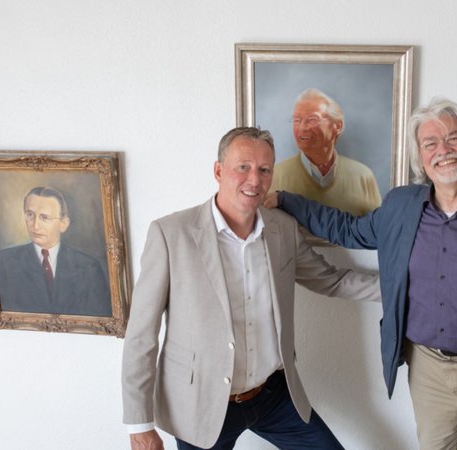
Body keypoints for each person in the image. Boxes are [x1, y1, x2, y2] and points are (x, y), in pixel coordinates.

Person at [271, 99, 457, 449]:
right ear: (420, 157)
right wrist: (285, 200)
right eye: (430, 143)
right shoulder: (400, 206)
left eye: (454, 138)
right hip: (427, 370)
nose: (443, 151)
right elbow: (347, 229)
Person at [121, 127, 379, 450]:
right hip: (202, 403)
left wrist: (409, 290)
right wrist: (139, 425)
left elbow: (332, 280)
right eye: (243, 167)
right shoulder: (170, 234)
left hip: (274, 396)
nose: (254, 180)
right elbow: (141, 334)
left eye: (264, 170)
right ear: (218, 171)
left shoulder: (282, 229)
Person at [0, 186, 111, 316]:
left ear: (63, 224)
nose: (35, 226)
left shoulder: (89, 267)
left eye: (45, 217)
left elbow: (101, 316)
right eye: (30, 215)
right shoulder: (5, 262)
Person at [269, 88, 381, 216]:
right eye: (297, 120)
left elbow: (379, 226)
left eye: (312, 119)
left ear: (337, 126)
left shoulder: (363, 176)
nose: (302, 127)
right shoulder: (275, 176)